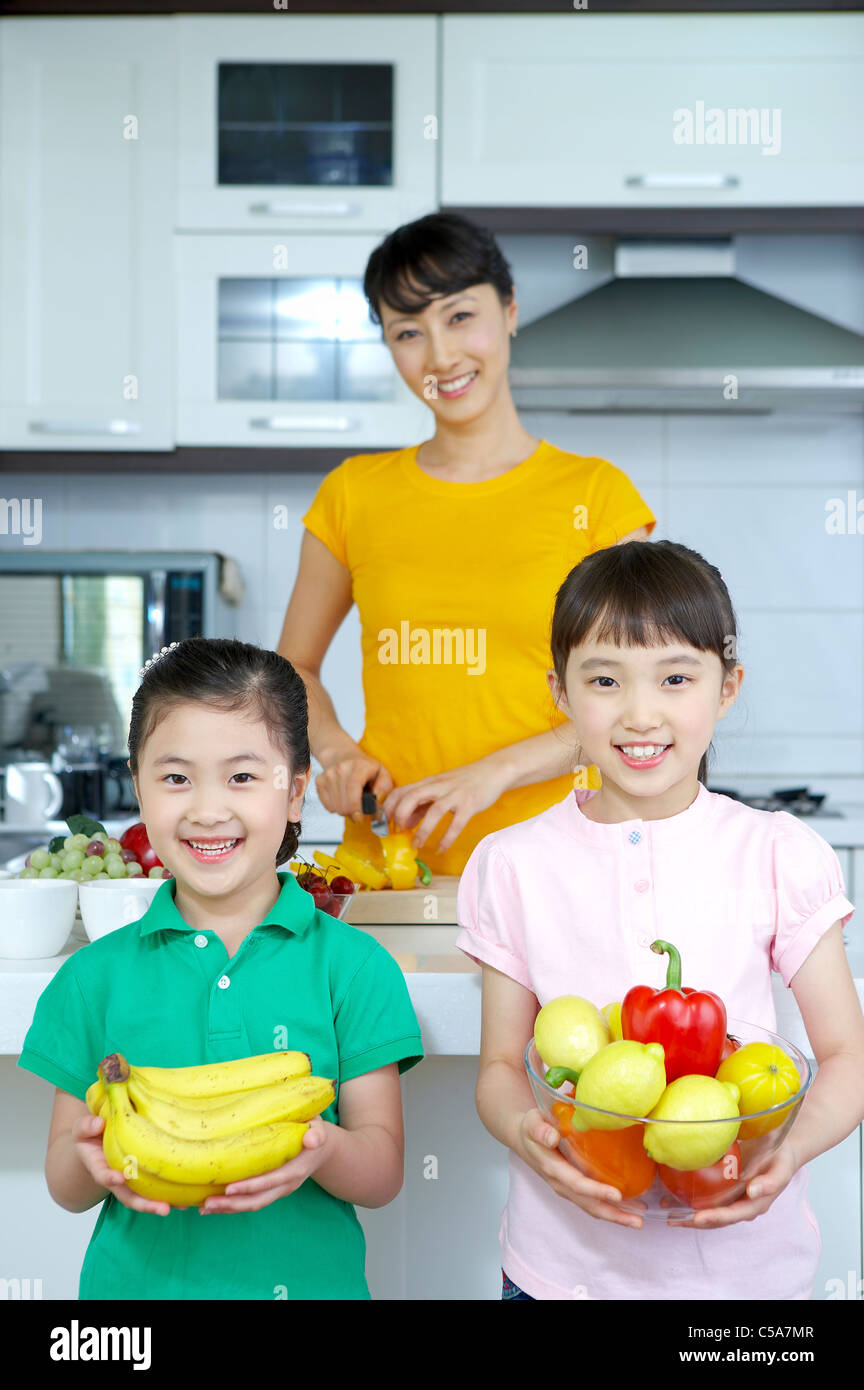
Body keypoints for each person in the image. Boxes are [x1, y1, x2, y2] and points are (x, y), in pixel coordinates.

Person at [455, 539, 864, 1301]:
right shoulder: (512, 863)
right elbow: (501, 1070)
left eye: (676, 678)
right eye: (604, 680)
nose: (641, 713)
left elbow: (846, 1055)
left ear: (727, 685)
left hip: (747, 1282)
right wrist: (527, 1137)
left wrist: (790, 1151)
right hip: (559, 1274)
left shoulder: (776, 851)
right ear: (561, 692)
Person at [17, 637, 423, 1300]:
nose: (208, 809)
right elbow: (65, 1183)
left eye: (241, 776)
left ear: (294, 794)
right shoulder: (91, 978)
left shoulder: (354, 968)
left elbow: (382, 1174)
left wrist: (324, 1150)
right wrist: (94, 1160)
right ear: (139, 790)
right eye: (176, 778)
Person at [279, 211, 656, 877]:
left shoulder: (597, 497)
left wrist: (493, 774)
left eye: (460, 316)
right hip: (390, 867)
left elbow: (633, 699)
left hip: (561, 866)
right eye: (407, 332)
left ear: (510, 310)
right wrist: (337, 754)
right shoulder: (352, 494)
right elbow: (293, 671)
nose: (442, 355)